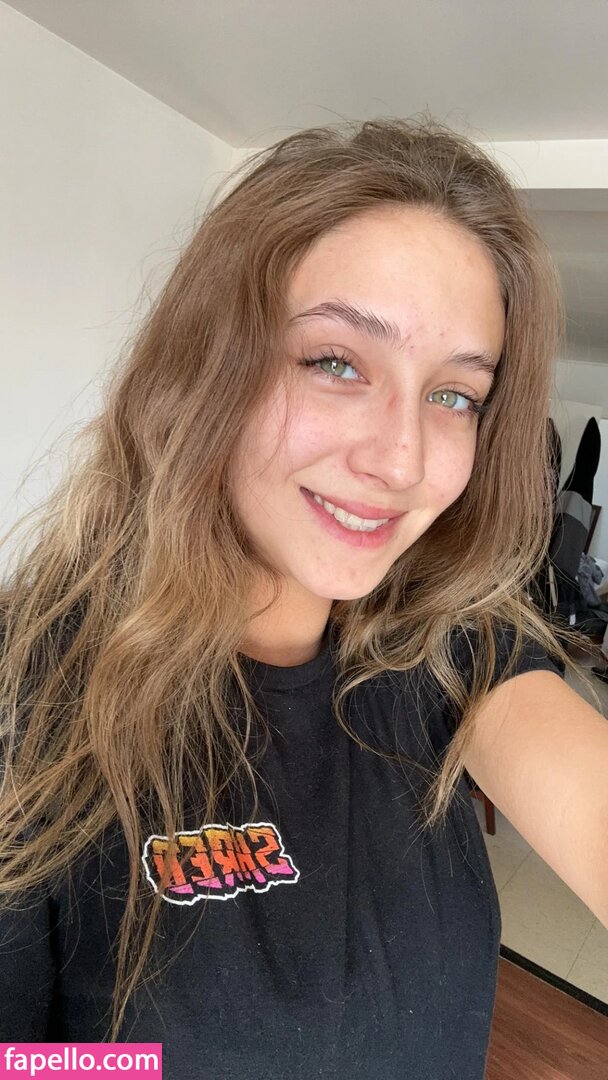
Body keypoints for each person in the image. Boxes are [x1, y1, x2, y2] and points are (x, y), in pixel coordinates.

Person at [1, 118, 607, 1080]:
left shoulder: (452, 650)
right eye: (336, 362)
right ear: (208, 362)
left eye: (455, 395)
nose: (402, 461)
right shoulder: (28, 705)